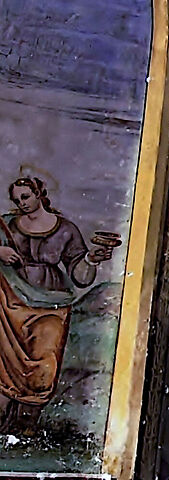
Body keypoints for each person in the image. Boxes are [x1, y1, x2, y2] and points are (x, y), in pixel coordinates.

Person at [0, 176, 120, 430]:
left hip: (51, 305)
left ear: (39, 194)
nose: (22, 203)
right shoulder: (5, 225)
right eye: (17, 199)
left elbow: (80, 275)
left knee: (45, 361)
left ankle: (26, 423)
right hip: (9, 301)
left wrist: (91, 259)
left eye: (26, 196)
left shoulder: (65, 230)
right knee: (5, 361)